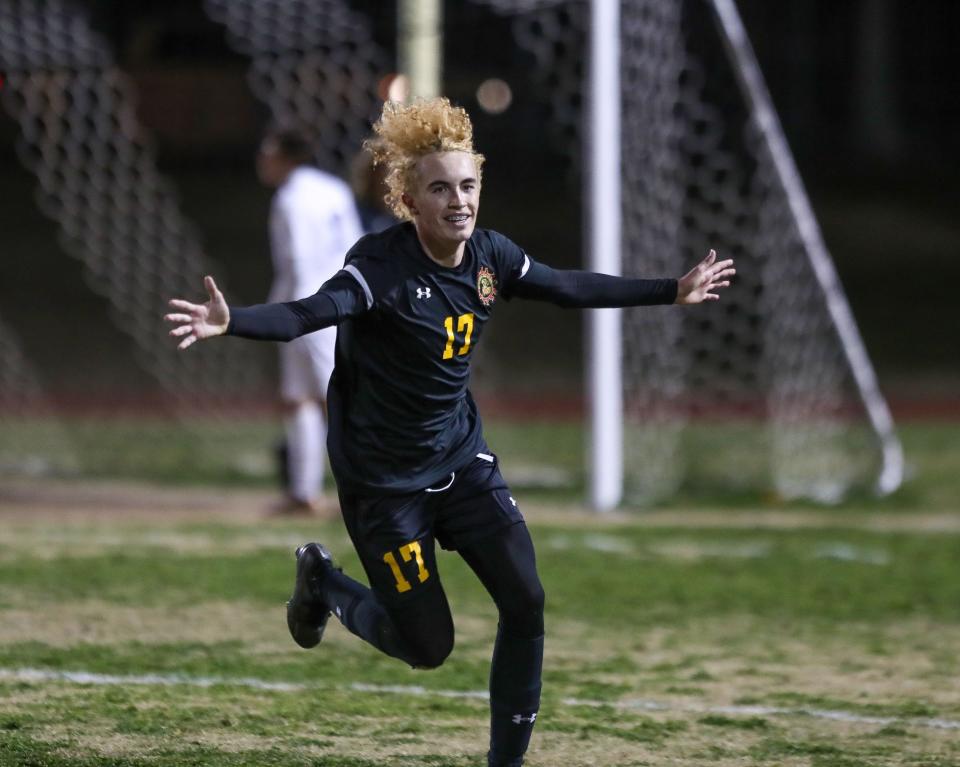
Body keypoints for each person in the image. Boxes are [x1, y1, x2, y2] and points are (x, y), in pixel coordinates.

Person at [165, 97, 734, 767]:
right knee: (427, 646)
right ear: (408, 198)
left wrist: (672, 288)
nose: (459, 201)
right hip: (385, 486)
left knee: (526, 598)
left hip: (461, 462)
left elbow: (566, 285)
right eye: (440, 188)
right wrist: (234, 322)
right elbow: (307, 312)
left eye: (468, 186)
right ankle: (325, 583)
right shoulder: (380, 268)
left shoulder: (490, 257)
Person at [256, 127, 364, 514]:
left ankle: (371, 487)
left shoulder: (290, 198)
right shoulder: (334, 189)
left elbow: (299, 261)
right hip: (340, 303)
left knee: (333, 399)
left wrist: (295, 316)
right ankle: (304, 492)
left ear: (285, 157)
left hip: (309, 310)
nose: (262, 161)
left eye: (268, 153)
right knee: (305, 398)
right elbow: (356, 247)